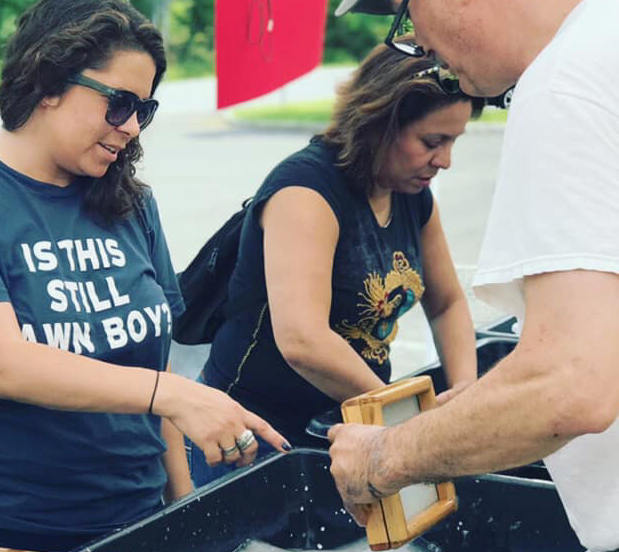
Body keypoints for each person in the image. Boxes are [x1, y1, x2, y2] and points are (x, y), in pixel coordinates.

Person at [328, 0, 619, 552]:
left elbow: (572, 386)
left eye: (412, 23)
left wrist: (386, 458)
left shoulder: (567, 83)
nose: (425, 55)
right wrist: (477, 405)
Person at [0, 0, 287, 552]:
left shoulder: (132, 202)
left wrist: (183, 514)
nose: (130, 127)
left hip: (129, 525)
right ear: (48, 80)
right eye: (119, 103)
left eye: (144, 110)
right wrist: (173, 394)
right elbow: (4, 366)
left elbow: (156, 368)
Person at [191, 42, 479, 487]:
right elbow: (303, 340)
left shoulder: (412, 194)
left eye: (454, 141)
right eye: (432, 141)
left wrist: (465, 399)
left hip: (349, 424)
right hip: (256, 434)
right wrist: (400, 418)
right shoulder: (306, 191)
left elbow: (446, 302)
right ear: (379, 123)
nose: (445, 160)